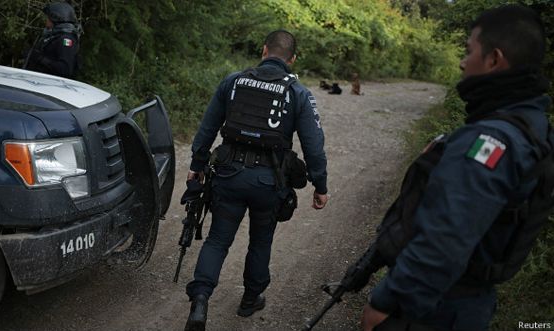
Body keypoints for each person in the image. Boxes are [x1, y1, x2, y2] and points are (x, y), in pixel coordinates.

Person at [361, 5, 552, 331]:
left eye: (469, 51)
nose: (463, 62)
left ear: (494, 59)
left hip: (438, 307)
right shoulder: (533, 126)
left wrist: (387, 302)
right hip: (467, 301)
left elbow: (445, 238)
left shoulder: (490, 139)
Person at [183, 30, 328, 330]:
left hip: (228, 174)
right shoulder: (297, 92)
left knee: (218, 239)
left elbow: (207, 128)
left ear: (263, 51)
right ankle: (250, 299)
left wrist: (197, 165)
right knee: (261, 240)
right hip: (268, 182)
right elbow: (314, 145)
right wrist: (320, 185)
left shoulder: (233, 81)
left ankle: (199, 299)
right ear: (293, 59)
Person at [25, 2, 80, 78]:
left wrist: (40, 59)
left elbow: (65, 70)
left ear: (55, 18)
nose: (46, 21)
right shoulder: (54, 36)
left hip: (54, 86)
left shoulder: (66, 39)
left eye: (48, 18)